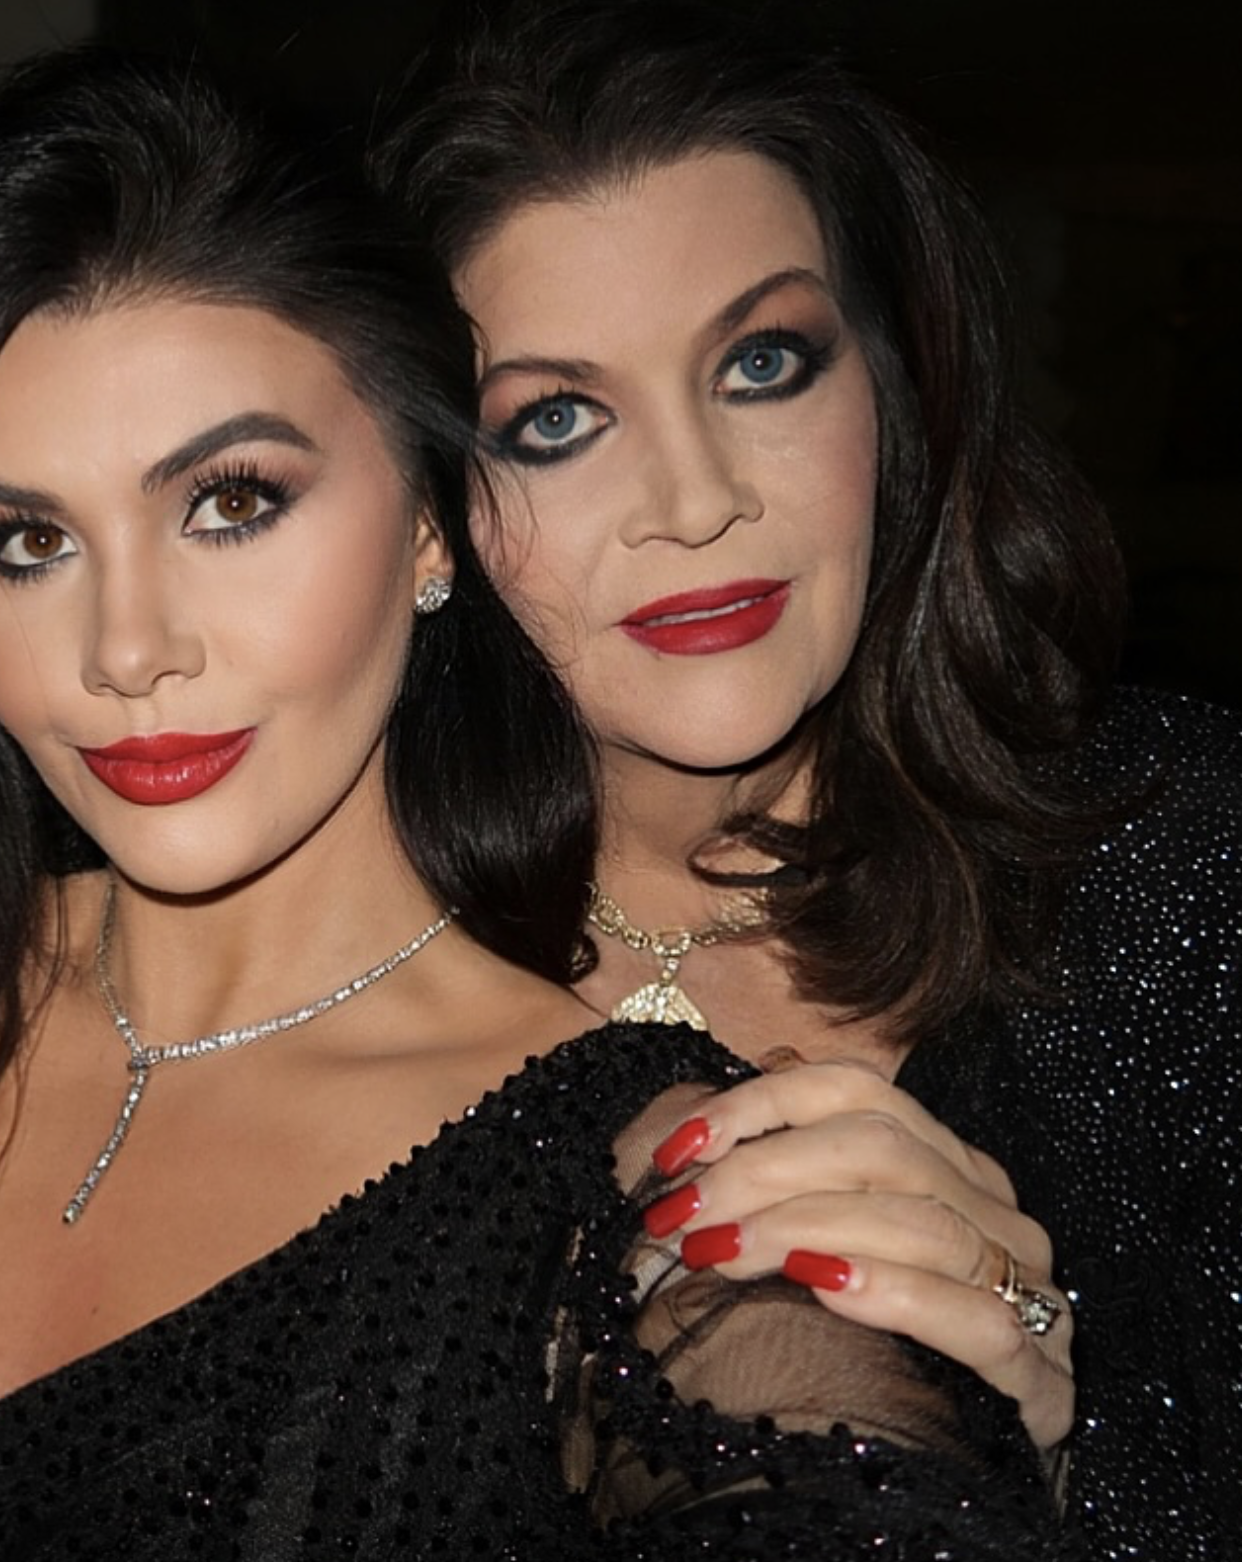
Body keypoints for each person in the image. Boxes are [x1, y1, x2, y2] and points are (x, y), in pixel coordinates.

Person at [0, 44, 1076, 1562]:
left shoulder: (623, 1182)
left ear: (435, 524)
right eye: (25, 543)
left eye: (231, 501)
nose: (127, 652)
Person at [375, 2, 1242, 1556]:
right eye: (555, 421)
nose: (697, 501)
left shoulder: (1180, 851)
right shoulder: (315, 979)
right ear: (423, 506)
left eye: (762, 362)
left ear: (889, 402)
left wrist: (1055, 1440)